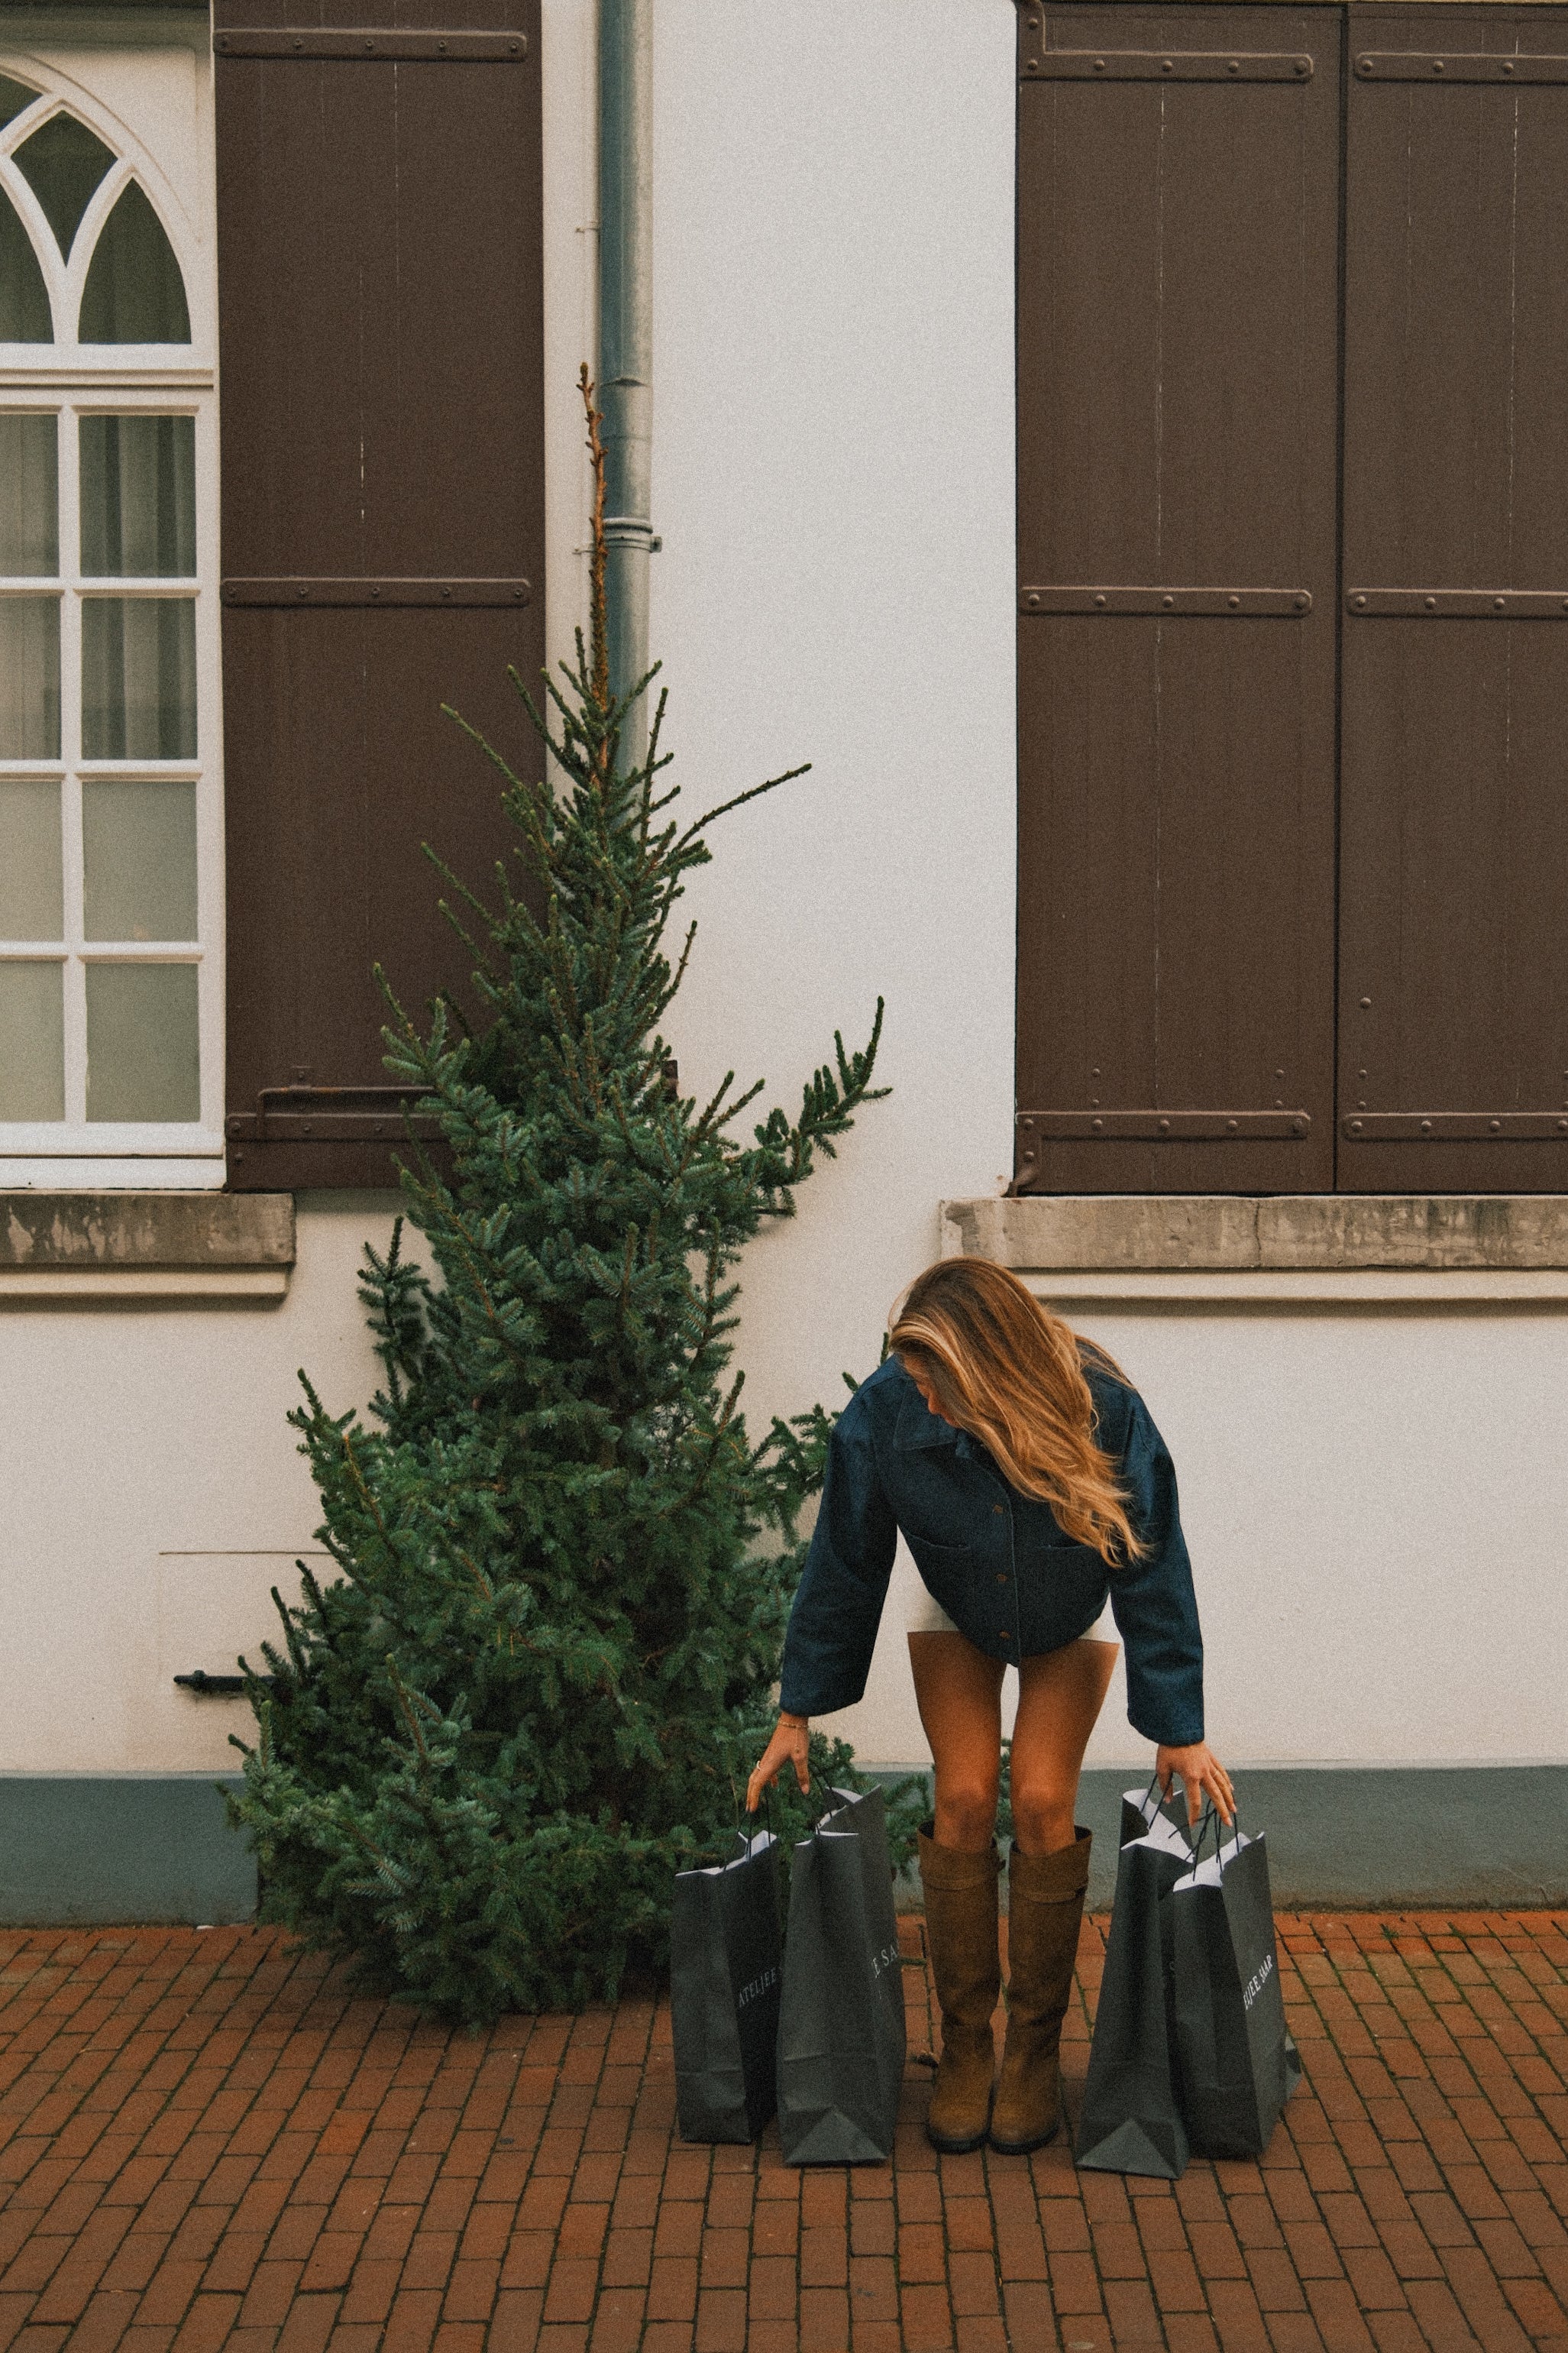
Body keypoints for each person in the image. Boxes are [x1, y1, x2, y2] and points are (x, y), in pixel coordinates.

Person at [747, 1254, 1233, 2157]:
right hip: (958, 1602)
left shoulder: (1104, 1409)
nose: (922, 1399)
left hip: (1069, 1609)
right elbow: (844, 1562)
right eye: (916, 1381)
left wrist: (1181, 1727)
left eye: (938, 1383)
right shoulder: (886, 1411)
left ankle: (1034, 2052)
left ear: (988, 1369)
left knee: (1044, 1803)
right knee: (964, 1797)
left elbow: (1153, 1561)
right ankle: (967, 2045)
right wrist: (796, 1710)